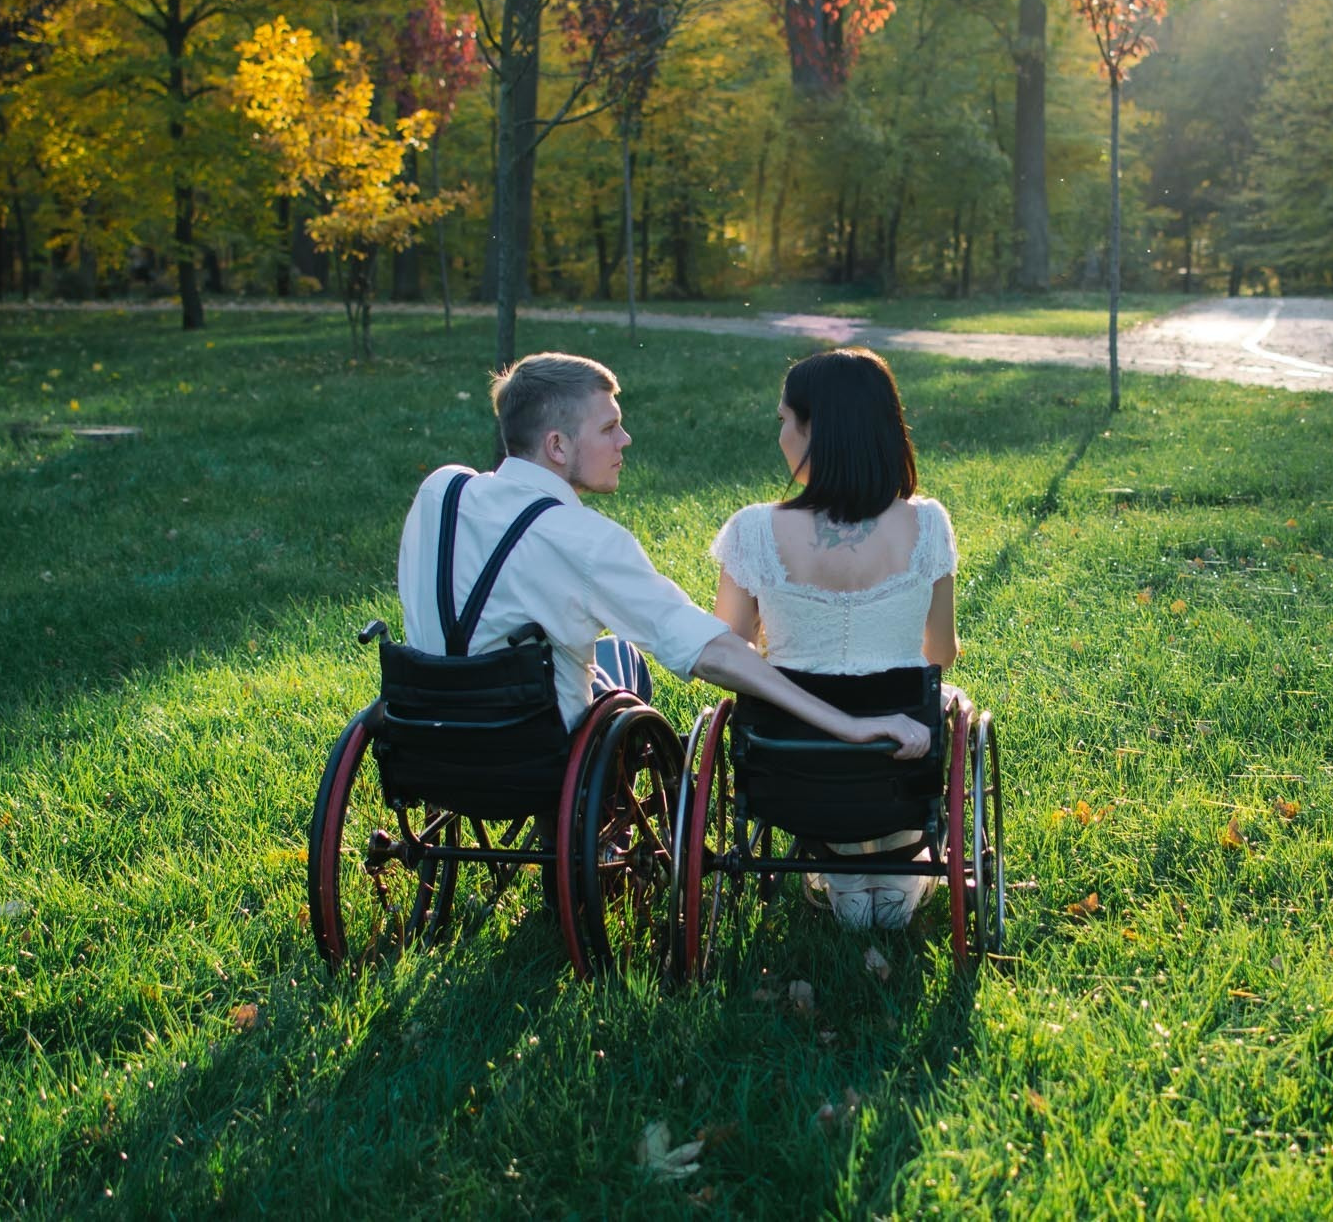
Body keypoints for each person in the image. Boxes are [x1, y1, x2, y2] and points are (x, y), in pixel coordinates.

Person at [397, 352, 932, 788]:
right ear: (557, 445)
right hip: (530, 750)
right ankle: (605, 818)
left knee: (610, 652)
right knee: (628, 669)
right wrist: (848, 723)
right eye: (609, 428)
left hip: (425, 727)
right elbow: (711, 652)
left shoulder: (440, 491)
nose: (624, 441)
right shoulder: (586, 541)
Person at [710, 347, 959, 930]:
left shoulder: (752, 530)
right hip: (898, 757)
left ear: (813, 429)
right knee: (937, 702)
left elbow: (731, 648)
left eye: (783, 421)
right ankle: (895, 868)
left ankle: (843, 868)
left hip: (789, 762)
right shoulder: (927, 524)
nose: (780, 436)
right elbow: (941, 653)